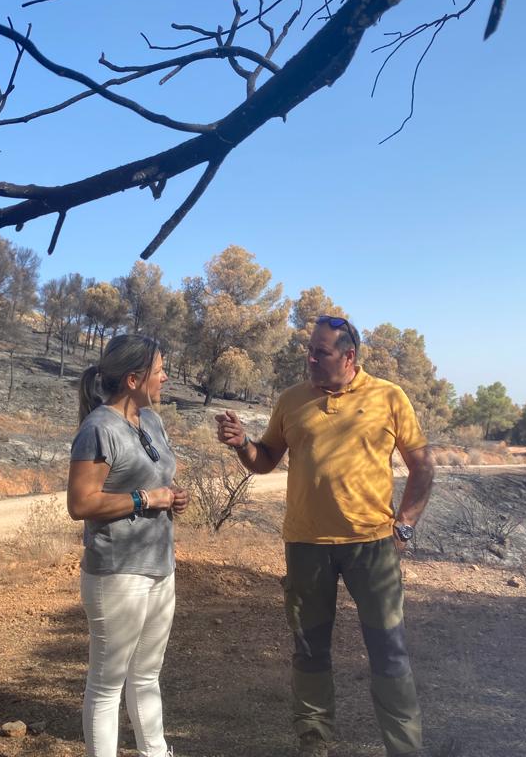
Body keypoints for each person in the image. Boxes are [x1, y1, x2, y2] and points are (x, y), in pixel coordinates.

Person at [215, 315, 435, 757]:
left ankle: (406, 749)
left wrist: (404, 525)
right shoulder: (292, 399)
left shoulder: (388, 397)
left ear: (349, 356)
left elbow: (422, 466)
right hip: (306, 547)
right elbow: (266, 460)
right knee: (310, 650)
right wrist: (242, 444)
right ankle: (315, 745)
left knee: (389, 652)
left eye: (322, 352)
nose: (310, 358)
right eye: (309, 350)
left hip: (372, 547)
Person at [67, 334, 189, 757]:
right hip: (117, 573)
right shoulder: (99, 429)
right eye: (159, 371)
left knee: (147, 675)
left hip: (160, 567)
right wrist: (145, 499)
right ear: (134, 379)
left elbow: (155, 480)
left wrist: (171, 494)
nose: (166, 377)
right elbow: (80, 503)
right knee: (107, 683)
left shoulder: (150, 420)